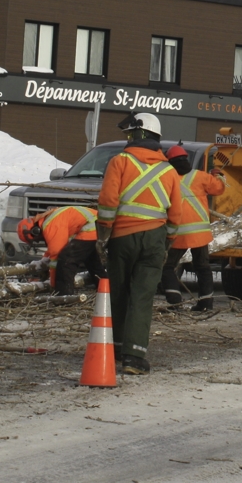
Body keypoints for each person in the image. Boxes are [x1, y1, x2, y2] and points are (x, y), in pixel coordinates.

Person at [95, 111, 183, 376]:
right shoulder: (168, 170)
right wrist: (167, 242)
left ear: (139, 134)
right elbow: (176, 212)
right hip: (155, 238)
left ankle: (117, 348)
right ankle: (134, 356)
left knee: (120, 292)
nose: (127, 138)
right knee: (143, 296)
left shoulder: (119, 161)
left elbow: (108, 201)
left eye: (130, 133)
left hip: (122, 238)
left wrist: (103, 236)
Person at [161, 145, 226, 312]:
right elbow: (219, 188)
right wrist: (218, 176)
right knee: (203, 267)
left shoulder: (167, 178)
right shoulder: (200, 177)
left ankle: (175, 301)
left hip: (177, 233)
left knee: (167, 266)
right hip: (200, 234)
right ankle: (206, 303)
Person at [16, 205, 100, 294]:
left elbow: (56, 256)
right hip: (96, 224)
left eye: (36, 239)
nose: (38, 241)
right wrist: (44, 260)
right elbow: (54, 246)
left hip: (91, 227)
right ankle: (105, 289)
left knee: (66, 261)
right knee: (92, 261)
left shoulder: (50, 226)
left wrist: (54, 285)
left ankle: (64, 297)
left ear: (35, 231)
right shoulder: (49, 220)